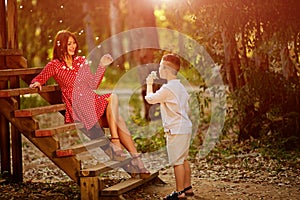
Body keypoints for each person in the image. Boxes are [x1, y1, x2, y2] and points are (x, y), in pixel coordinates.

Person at [29, 30, 150, 178]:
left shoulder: (81, 61)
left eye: (74, 43)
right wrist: (36, 83)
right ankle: (136, 161)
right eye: (69, 44)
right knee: (117, 114)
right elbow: (40, 78)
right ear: (60, 46)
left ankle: (124, 149)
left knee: (115, 106)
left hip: (92, 99)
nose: (73, 46)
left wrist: (102, 66)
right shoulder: (55, 65)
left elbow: (93, 84)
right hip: (78, 105)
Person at [145, 54, 194, 199]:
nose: (159, 68)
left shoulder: (167, 89)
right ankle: (188, 187)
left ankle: (179, 193)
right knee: (184, 159)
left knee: (177, 162)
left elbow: (150, 99)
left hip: (175, 130)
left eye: (160, 66)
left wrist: (149, 84)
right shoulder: (180, 87)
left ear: (166, 69)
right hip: (185, 127)